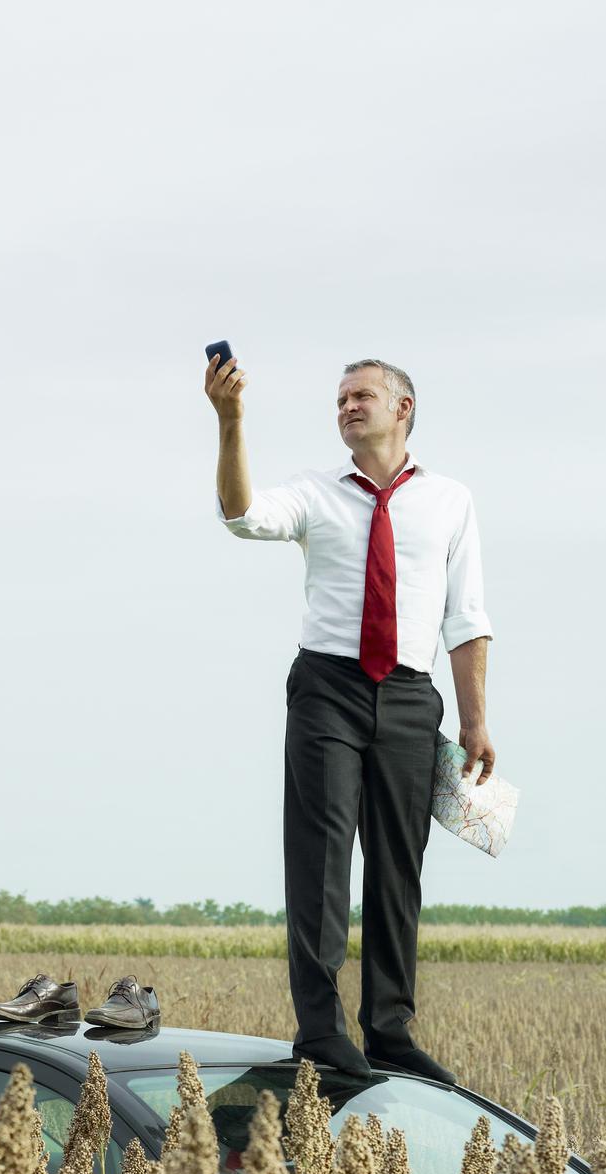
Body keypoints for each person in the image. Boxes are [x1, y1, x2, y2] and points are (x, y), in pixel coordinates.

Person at [204, 354, 495, 1084]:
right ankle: (321, 1031)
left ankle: (390, 1031)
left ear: (403, 409)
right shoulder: (315, 491)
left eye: (360, 396)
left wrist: (475, 722)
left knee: (399, 869)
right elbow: (241, 516)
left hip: (408, 694)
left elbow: (467, 620)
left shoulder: (451, 500)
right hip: (328, 687)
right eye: (339, 399)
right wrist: (231, 420)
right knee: (322, 860)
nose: (346, 407)